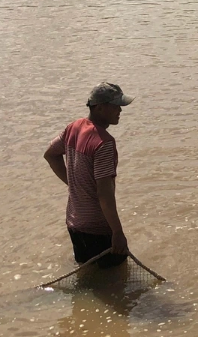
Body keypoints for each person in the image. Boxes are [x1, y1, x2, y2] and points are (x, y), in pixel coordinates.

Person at [44, 82, 135, 269]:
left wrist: (74, 184)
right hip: (98, 228)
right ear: (100, 108)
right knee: (115, 283)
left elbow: (50, 155)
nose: (120, 110)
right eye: (116, 106)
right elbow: (104, 193)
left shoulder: (73, 127)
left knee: (88, 276)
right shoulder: (104, 143)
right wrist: (117, 232)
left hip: (74, 222)